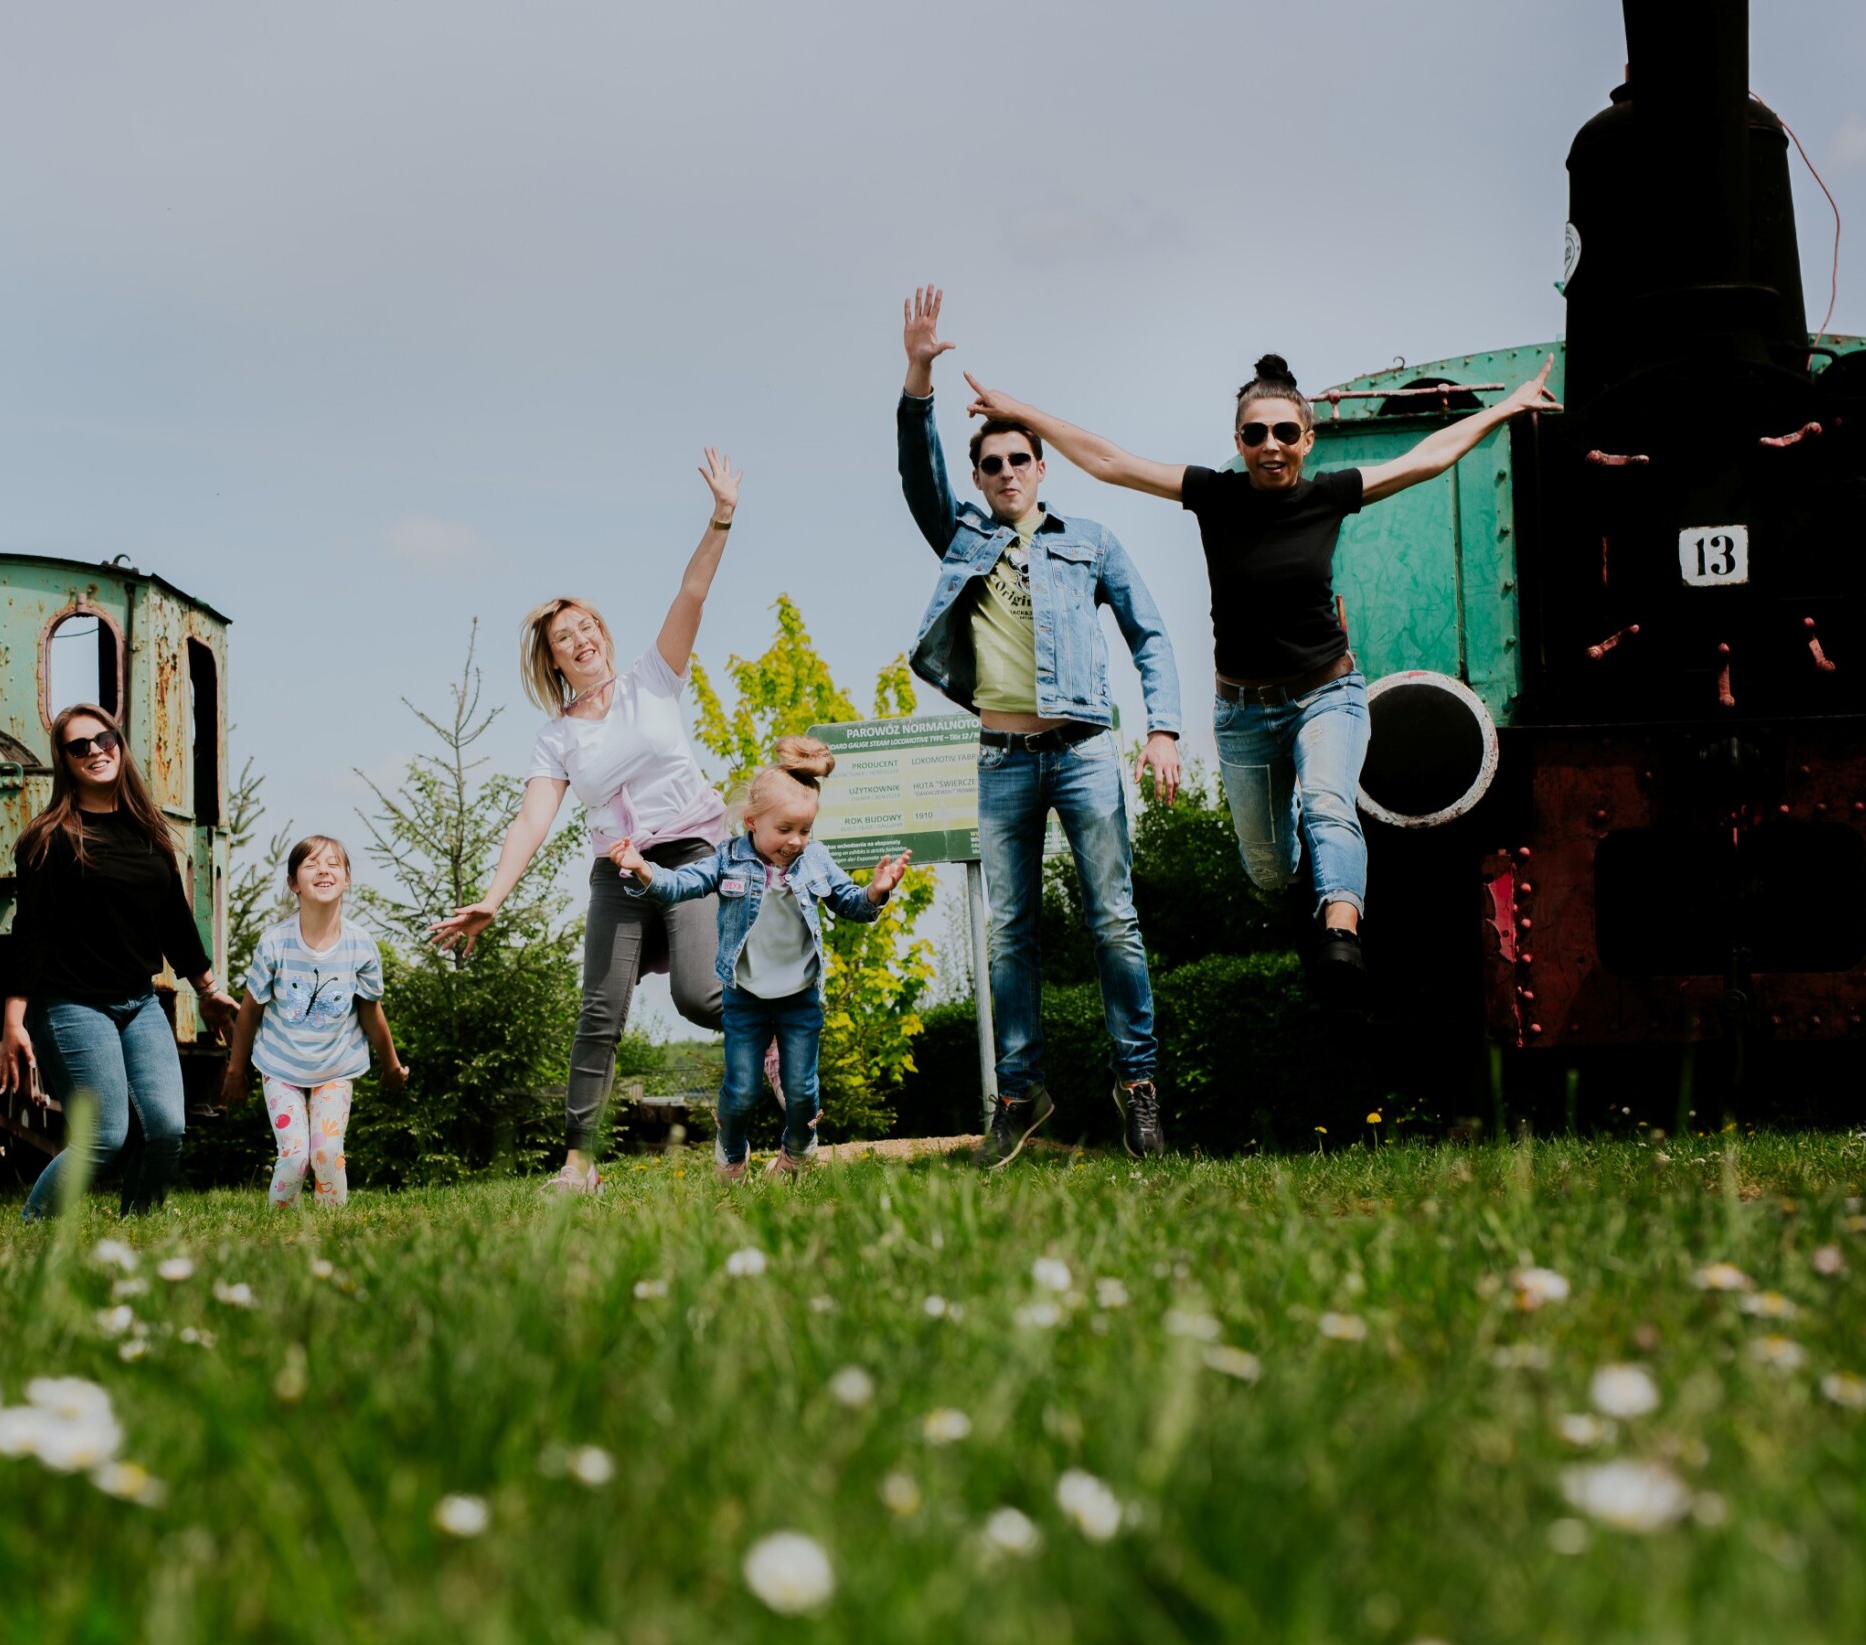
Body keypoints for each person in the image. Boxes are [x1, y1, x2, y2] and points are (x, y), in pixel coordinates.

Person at [959, 350, 1558, 984]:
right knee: (1268, 867)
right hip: (1243, 713)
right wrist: (1018, 411)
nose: (1270, 445)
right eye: (1255, 434)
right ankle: (1311, 856)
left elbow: (1425, 459)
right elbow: (1109, 461)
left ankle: (1341, 938)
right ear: (1239, 443)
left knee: (1329, 802)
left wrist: (1506, 406)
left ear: (1307, 439)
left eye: (1283, 433)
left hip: (1327, 693)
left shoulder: (1330, 494)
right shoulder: (1215, 496)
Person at [895, 285, 1182, 1167]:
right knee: (1012, 931)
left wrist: (1163, 728)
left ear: (1042, 466)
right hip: (1005, 761)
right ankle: (1017, 1098)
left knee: (1114, 923)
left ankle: (1139, 1090)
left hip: (1087, 754)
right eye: (993, 465)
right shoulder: (964, 540)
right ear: (980, 479)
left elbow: (1150, 633)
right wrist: (918, 378)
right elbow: (917, 473)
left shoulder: (1090, 540)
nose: (1008, 472)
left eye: (1021, 458)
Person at [431, 449, 744, 1195]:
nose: (579, 639)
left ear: (602, 632)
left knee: (703, 998)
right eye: (562, 638)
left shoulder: (654, 679)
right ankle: (580, 1165)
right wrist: (493, 899)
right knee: (600, 1011)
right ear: (554, 663)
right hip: (621, 872)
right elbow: (531, 821)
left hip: (695, 851)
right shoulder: (558, 737)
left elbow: (692, 593)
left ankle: (779, 1042)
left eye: (585, 626)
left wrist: (721, 516)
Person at [612, 737, 909, 1180]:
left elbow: (850, 903)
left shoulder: (816, 860)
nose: (795, 841)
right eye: (785, 830)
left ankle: (796, 1153)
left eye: (805, 830)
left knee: (803, 1092)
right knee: (742, 1088)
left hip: (800, 997)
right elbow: (681, 886)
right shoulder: (728, 860)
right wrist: (643, 870)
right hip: (746, 996)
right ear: (751, 822)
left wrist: (876, 890)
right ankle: (731, 1153)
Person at [0, 703, 234, 1220]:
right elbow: (29, 935)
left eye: (104, 739)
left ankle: (137, 1232)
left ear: (120, 745)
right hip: (71, 1004)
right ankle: (33, 1229)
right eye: (79, 746)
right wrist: (14, 1021)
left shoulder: (148, 833)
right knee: (105, 1138)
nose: (96, 752)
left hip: (138, 1001)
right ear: (65, 762)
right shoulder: (50, 838)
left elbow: (175, 921)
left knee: (168, 1129)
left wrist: (210, 990)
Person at [220, 836, 408, 1208]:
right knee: (294, 1157)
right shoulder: (275, 943)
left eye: (334, 864)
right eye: (311, 864)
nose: (324, 869)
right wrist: (235, 1072)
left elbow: (371, 1011)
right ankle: (275, 1230)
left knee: (326, 1152)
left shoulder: (360, 945)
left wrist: (391, 1066)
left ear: (347, 879)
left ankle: (331, 1234)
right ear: (294, 883)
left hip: (335, 1067)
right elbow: (250, 1012)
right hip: (282, 1065)